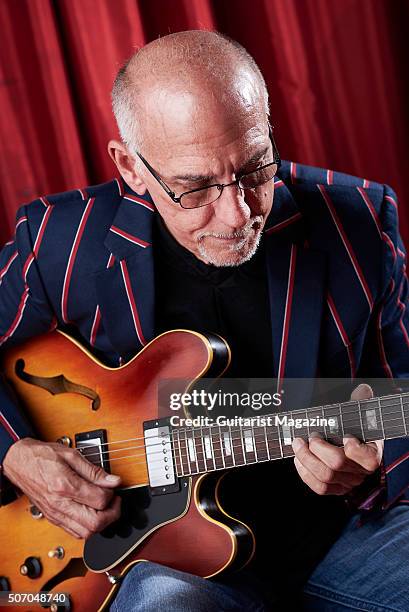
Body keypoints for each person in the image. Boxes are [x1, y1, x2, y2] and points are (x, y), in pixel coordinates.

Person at [0, 30, 408, 611]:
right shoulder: (62, 242)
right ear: (131, 168)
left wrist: (370, 464)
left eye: (255, 169)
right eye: (194, 188)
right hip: (169, 565)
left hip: (331, 538)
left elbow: (400, 392)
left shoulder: (358, 222)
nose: (238, 213)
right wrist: (15, 453)